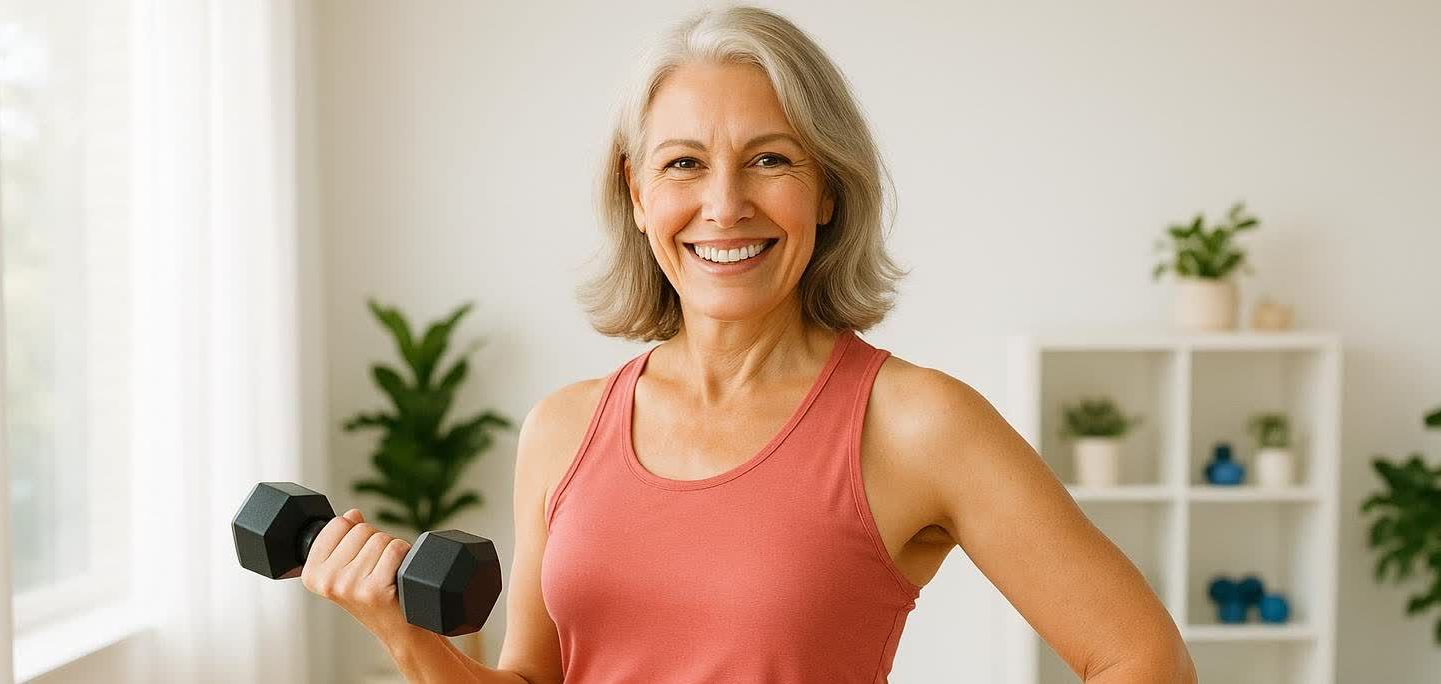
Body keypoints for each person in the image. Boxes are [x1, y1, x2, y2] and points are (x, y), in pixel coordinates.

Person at [301, 5, 1195, 683]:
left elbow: (1141, 657)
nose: (725, 205)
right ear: (638, 192)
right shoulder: (562, 430)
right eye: (684, 163)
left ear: (829, 190)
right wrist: (405, 637)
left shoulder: (917, 423)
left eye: (770, 159)